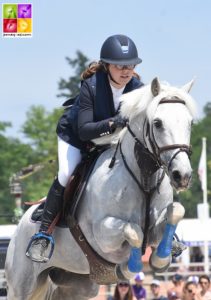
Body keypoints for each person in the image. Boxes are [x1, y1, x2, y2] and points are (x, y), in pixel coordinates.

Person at [25, 34, 143, 263]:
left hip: (111, 140)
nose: (126, 71)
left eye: (130, 65)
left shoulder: (137, 87)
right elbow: (85, 131)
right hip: (77, 137)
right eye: (120, 66)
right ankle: (43, 233)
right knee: (66, 173)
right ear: (107, 65)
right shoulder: (92, 86)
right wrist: (114, 123)